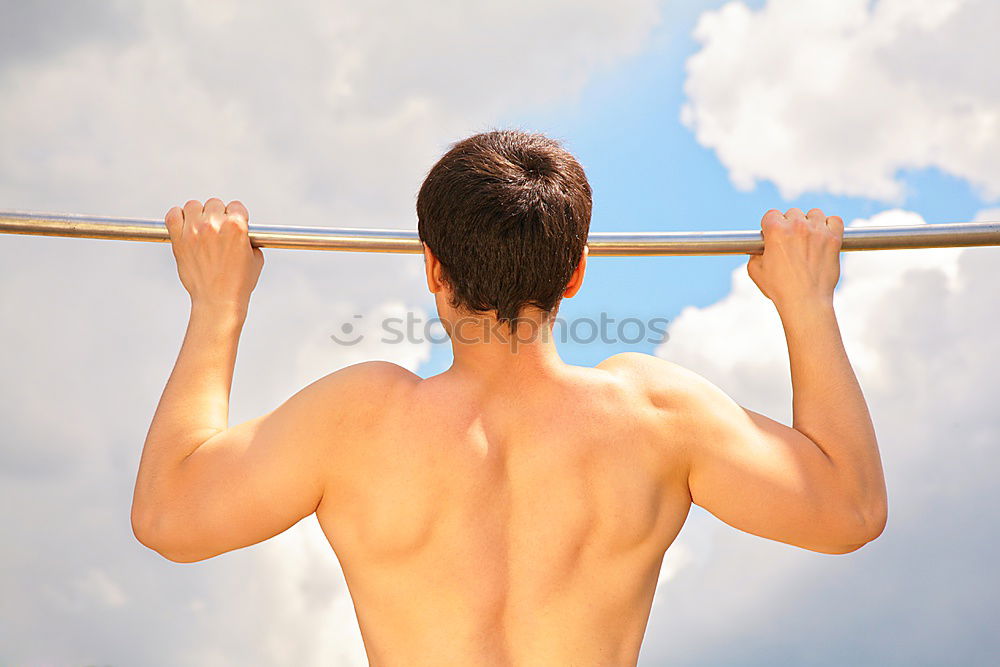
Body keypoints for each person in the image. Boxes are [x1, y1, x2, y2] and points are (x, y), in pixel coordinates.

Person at [131, 130, 887, 665]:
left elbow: (169, 516)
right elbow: (849, 511)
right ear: (576, 273)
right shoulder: (657, 416)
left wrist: (216, 303)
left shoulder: (356, 420)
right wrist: (807, 303)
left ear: (432, 269)